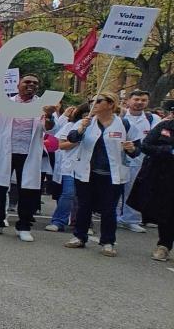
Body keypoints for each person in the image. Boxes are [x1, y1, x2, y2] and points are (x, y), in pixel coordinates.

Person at [62, 92, 141, 257]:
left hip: (112, 175)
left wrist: (131, 149)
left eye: (98, 101)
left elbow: (137, 149)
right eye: (91, 101)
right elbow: (72, 138)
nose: (94, 104)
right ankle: (79, 236)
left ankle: (108, 242)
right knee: (84, 206)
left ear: (111, 104)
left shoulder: (124, 124)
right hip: (87, 172)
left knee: (109, 209)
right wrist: (81, 128)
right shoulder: (86, 122)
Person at [0, 74, 57, 242]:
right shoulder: (4, 103)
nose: (31, 85)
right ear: (18, 85)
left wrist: (50, 115)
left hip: (29, 153)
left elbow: (50, 129)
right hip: (5, 151)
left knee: (28, 190)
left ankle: (23, 226)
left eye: (35, 83)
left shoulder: (43, 106)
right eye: (27, 82)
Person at [126, 113, 174, 261]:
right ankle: (164, 246)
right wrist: (169, 150)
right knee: (167, 212)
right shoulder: (165, 126)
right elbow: (145, 146)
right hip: (165, 177)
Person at [118, 89, 159, 233]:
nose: (140, 102)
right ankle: (112, 217)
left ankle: (130, 220)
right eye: (136, 99)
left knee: (134, 191)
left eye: (143, 100)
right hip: (117, 160)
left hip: (140, 161)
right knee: (114, 190)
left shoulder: (152, 119)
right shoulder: (119, 116)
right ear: (128, 101)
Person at [45, 102, 90, 233]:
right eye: (86, 114)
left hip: (88, 166)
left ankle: (84, 224)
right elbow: (61, 145)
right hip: (71, 166)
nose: (89, 117)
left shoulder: (100, 127)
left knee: (85, 197)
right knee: (68, 193)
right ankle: (58, 221)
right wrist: (77, 140)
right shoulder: (71, 126)